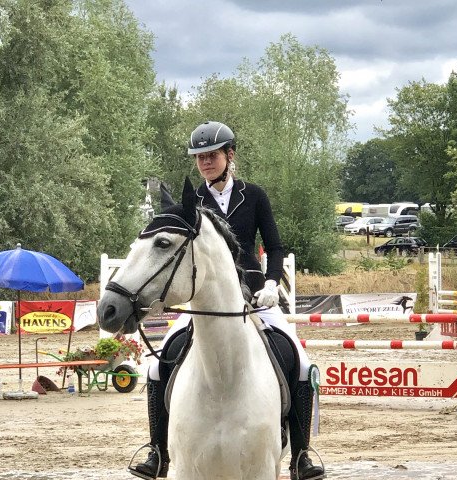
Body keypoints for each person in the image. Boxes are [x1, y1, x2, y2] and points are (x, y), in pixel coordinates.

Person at [130, 121, 325, 480]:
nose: (205, 162)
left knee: (299, 360)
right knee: (157, 366)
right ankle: (157, 450)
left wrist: (271, 282)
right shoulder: (193, 203)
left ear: (229, 155)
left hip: (255, 292)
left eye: (212, 155)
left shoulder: (254, 195)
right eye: (199, 158)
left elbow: (276, 246)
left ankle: (301, 455)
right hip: (206, 298)